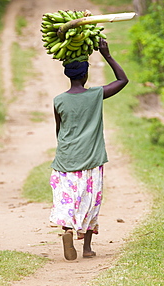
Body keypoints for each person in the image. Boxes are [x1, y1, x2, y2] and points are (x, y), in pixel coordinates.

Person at [49, 38, 129, 260]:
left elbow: (59, 130)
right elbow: (123, 80)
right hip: (91, 158)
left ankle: (67, 231)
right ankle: (86, 248)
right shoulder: (95, 95)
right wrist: (107, 55)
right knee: (90, 200)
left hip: (65, 159)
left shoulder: (59, 100)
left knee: (67, 198)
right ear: (85, 75)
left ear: (68, 75)